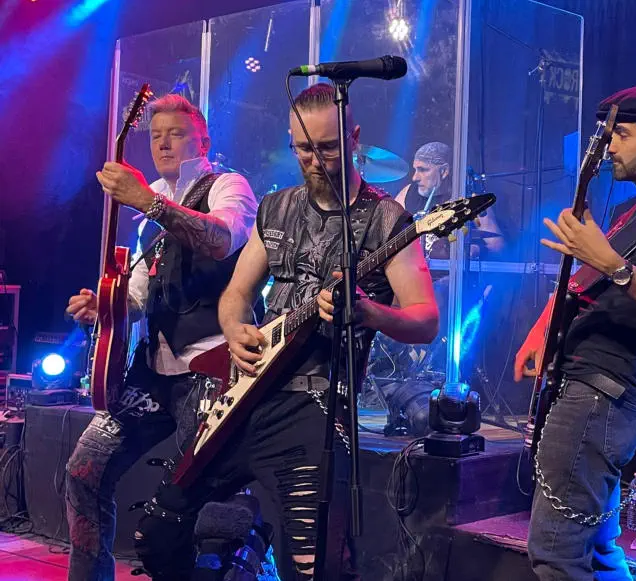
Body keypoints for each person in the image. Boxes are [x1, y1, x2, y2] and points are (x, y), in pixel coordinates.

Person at [131, 82, 439, 581]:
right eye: (303, 149)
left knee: (312, 568)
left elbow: (425, 320)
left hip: (314, 409)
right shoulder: (277, 207)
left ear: (354, 138)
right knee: (157, 534)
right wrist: (235, 328)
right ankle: (248, 541)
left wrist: (368, 312)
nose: (315, 161)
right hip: (245, 397)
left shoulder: (387, 220)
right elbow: (236, 293)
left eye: (328, 147)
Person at [513, 84, 636, 581]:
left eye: (622, 135)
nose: (610, 149)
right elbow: (585, 284)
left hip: (601, 399)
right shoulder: (634, 213)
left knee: (557, 555)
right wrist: (541, 331)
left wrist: (612, 263)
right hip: (590, 395)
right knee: (601, 554)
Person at [64, 94, 258, 581]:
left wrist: (149, 203)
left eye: (176, 134)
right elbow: (137, 294)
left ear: (203, 141)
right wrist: (105, 307)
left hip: (212, 368)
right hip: (154, 372)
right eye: (155, 136)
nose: (163, 143)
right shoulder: (148, 196)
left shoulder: (228, 185)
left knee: (198, 498)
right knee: (84, 471)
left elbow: (222, 240)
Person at [396, 141, 504, 256]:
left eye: (423, 170)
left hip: (449, 267)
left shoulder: (470, 198)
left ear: (444, 171)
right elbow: (389, 234)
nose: (414, 177)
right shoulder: (408, 193)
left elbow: (497, 245)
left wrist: (473, 250)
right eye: (415, 170)